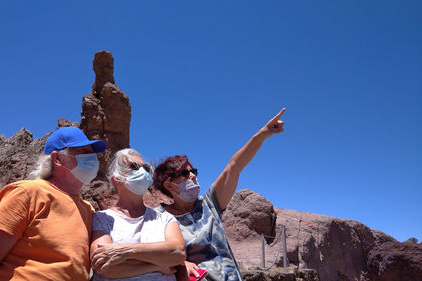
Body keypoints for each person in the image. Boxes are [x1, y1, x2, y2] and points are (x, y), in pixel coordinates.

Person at [153, 109, 286, 281]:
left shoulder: (209, 204)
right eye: (185, 174)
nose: (193, 175)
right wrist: (180, 263)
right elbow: (150, 253)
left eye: (194, 171)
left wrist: (262, 134)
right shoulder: (158, 218)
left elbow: (234, 166)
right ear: (169, 185)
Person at [0, 126, 107, 281]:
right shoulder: (28, 193)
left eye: (91, 152)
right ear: (57, 159)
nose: (91, 158)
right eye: (82, 151)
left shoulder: (88, 209)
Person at [90, 148, 186, 281]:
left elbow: (178, 253)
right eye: (134, 167)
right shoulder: (102, 218)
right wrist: (158, 266)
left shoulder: (164, 218)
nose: (142, 172)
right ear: (116, 179)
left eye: (145, 168)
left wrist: (125, 252)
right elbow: (104, 266)